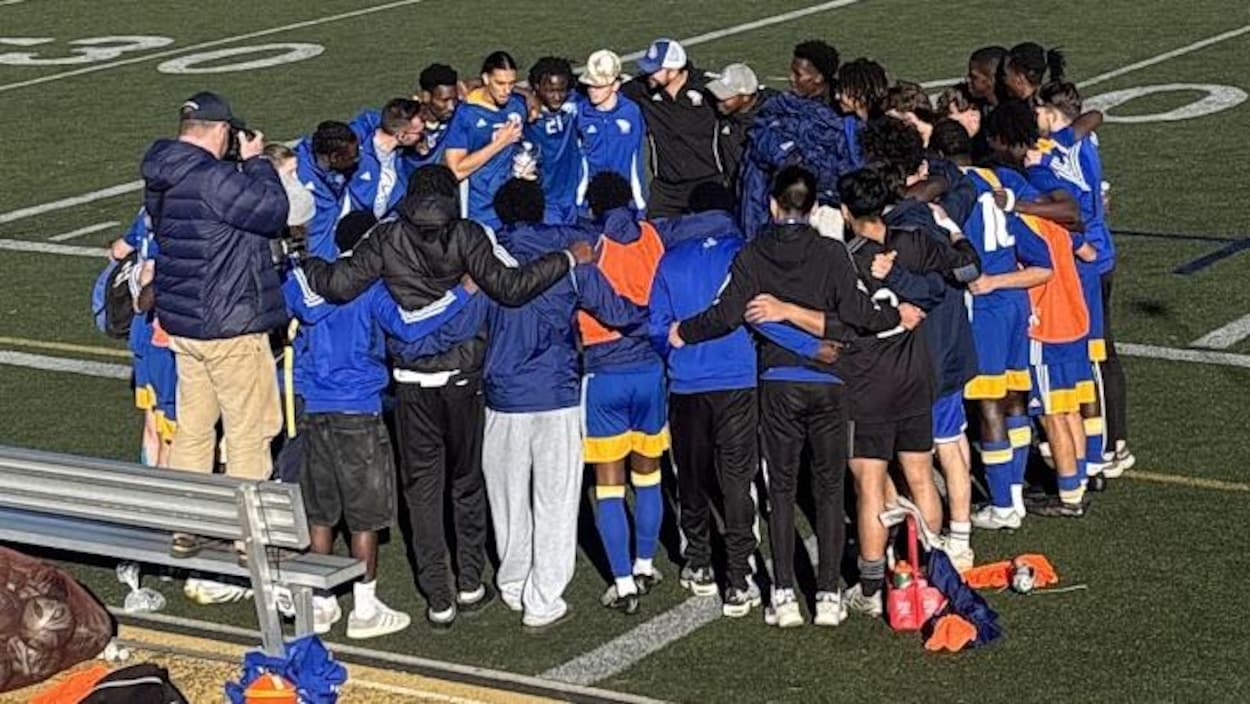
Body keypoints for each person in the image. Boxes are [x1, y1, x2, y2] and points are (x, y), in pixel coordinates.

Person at [297, 165, 593, 627]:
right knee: (466, 484)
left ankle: (438, 596)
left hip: (411, 383)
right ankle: (471, 581)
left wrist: (304, 261)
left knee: (423, 495)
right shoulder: (469, 233)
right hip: (462, 381)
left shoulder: (385, 236)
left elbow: (337, 286)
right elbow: (512, 289)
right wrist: (567, 259)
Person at [672, 166, 919, 629]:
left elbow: (726, 314)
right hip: (830, 383)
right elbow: (860, 315)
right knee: (828, 490)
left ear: (771, 204)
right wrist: (890, 308)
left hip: (779, 383)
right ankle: (828, 594)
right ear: (813, 209)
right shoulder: (831, 252)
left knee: (780, 490)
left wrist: (684, 330)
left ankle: (783, 593)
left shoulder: (753, 253)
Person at [397, 179, 645, 630]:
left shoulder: (484, 260)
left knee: (507, 499)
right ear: (542, 210)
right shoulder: (574, 257)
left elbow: (460, 325)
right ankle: (544, 598)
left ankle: (513, 584)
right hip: (557, 395)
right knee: (556, 500)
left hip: (502, 399)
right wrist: (656, 317)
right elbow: (617, 312)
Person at [281, 211, 473, 639]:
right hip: (360, 413)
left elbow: (293, 289)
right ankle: (364, 608)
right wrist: (460, 294)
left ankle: (322, 602)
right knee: (364, 517)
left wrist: (295, 256)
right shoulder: (373, 291)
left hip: (316, 412)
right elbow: (410, 325)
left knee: (322, 512)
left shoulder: (314, 284)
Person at [649, 182, 832, 617]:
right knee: (737, 481)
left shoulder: (671, 259)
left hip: (687, 384)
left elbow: (656, 324)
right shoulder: (747, 253)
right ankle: (738, 577)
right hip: (739, 382)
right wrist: (812, 348)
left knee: (690, 479)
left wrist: (675, 350)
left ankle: (698, 564)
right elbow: (763, 317)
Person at [142, 92, 288, 559]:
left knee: (194, 427)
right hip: (229, 321)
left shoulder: (162, 173)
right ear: (221, 130)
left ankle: (187, 524)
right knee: (251, 427)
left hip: (184, 319)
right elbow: (272, 213)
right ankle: (248, 533)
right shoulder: (214, 178)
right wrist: (258, 164)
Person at [578, 171, 729, 614]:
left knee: (608, 486)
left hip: (603, 372)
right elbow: (712, 221)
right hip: (651, 369)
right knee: (649, 475)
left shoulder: (590, 241)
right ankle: (645, 562)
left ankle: (623, 582)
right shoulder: (653, 234)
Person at [929, 118, 1054, 540]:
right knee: (1015, 401)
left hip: (984, 313)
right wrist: (1003, 281)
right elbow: (1043, 265)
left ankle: (1002, 505)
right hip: (1016, 308)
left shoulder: (950, 196)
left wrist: (988, 283)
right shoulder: (999, 183)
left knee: (989, 408)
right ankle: (1014, 496)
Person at [985, 101, 1091, 519]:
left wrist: (1012, 207)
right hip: (1074, 312)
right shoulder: (1053, 202)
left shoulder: (1026, 209)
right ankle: (1078, 480)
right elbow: (1081, 237)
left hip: (1047, 320)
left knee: (1051, 414)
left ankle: (1068, 495)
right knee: (1068, 406)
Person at [1035, 81, 1133, 476]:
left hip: (1087, 258)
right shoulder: (1084, 140)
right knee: (1101, 349)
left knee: (1094, 354)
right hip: (1100, 251)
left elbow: (1068, 205)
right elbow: (1093, 118)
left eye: (1038, 111)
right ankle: (1112, 441)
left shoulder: (1055, 151)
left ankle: (1108, 445)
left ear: (1051, 113)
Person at [738, 41, 851, 239]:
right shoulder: (780, 108)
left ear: (818, 77)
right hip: (776, 205)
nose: (791, 79)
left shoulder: (840, 114)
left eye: (798, 74)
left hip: (822, 211)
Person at [622, 39, 723, 217]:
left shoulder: (708, 88)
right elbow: (607, 91)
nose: (649, 74)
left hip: (708, 183)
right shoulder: (642, 89)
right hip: (666, 189)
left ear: (674, 69)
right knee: (656, 238)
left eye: (655, 69)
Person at [444, 51, 529, 230]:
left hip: (514, 205)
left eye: (511, 83)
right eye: (500, 83)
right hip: (479, 210)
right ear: (486, 78)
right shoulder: (465, 115)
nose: (506, 90)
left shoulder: (518, 105)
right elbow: (456, 170)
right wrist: (499, 143)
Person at [576, 49, 647, 213]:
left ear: (615, 85)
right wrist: (580, 204)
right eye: (590, 85)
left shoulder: (631, 112)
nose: (593, 90)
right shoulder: (580, 112)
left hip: (625, 197)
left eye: (599, 86)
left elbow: (635, 159)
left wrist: (640, 205)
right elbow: (581, 160)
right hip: (591, 199)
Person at [347, 98, 425, 220]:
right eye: (419, 133)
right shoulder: (356, 155)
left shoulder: (402, 159)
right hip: (350, 227)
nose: (422, 137)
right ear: (401, 136)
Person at [525, 57, 581, 224]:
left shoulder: (574, 102)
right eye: (550, 90)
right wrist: (525, 93)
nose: (557, 96)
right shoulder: (525, 110)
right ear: (536, 86)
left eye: (561, 90)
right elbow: (475, 85)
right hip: (543, 200)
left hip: (572, 199)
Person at [706, 63, 776, 198]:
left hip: (763, 197)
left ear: (745, 97)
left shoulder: (771, 119)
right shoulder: (724, 114)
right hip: (734, 194)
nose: (719, 101)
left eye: (726, 96)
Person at [295, 121, 360, 261]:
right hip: (316, 261)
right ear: (335, 157)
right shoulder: (298, 179)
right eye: (352, 157)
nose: (357, 160)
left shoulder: (331, 166)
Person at [836, 58, 889, 167]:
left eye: (842, 91)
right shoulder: (845, 126)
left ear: (860, 92)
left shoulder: (890, 131)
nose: (837, 96)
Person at [413, 63, 461, 167]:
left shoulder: (459, 113)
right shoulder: (409, 125)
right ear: (426, 96)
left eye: (454, 99)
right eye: (445, 100)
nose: (451, 107)